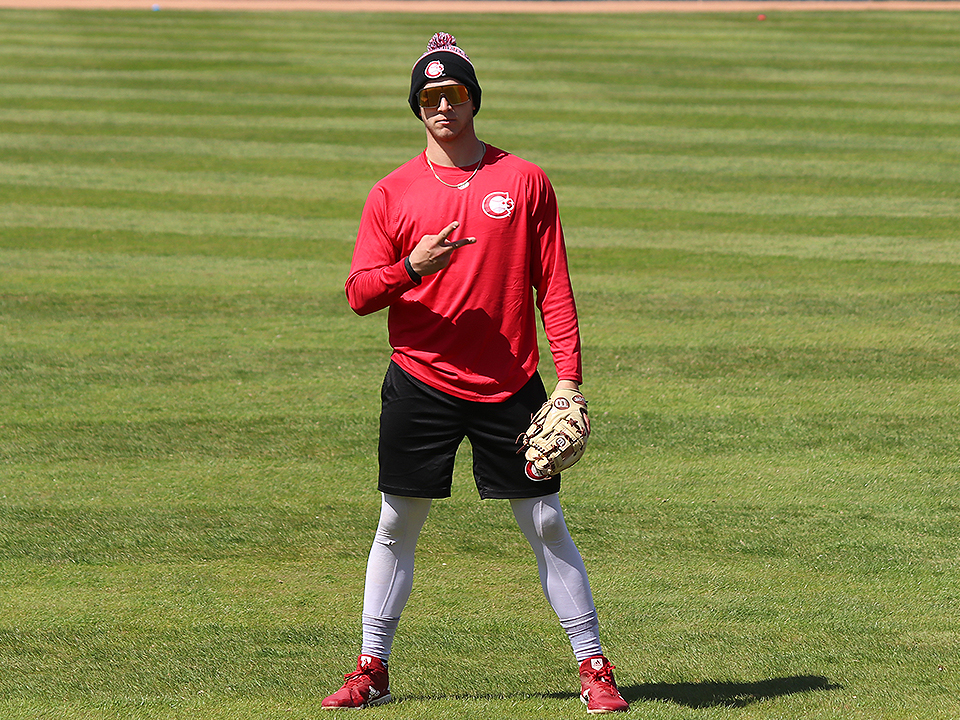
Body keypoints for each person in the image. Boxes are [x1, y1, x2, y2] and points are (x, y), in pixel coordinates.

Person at [321, 32, 628, 715]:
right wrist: (412, 269)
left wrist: (569, 378)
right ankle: (372, 669)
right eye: (429, 98)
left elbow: (554, 285)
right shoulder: (392, 194)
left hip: (511, 387)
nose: (442, 108)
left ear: (472, 99)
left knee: (546, 522)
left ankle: (594, 666)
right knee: (396, 523)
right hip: (419, 382)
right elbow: (358, 294)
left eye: (454, 94)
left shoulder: (523, 180)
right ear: (417, 108)